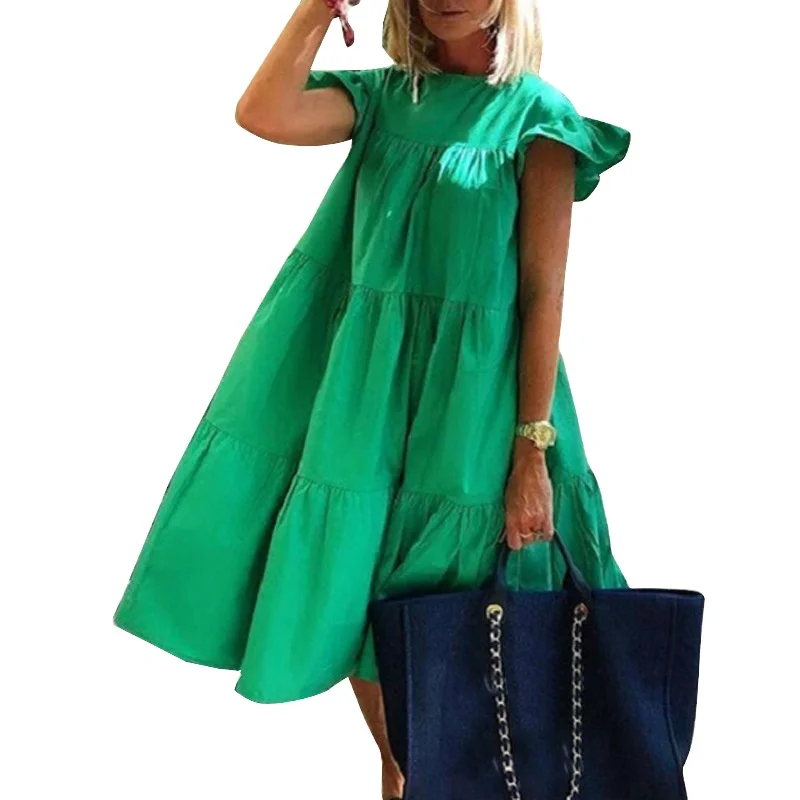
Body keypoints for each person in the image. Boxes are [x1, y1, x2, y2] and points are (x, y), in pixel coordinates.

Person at [113, 1, 631, 798]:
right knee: (367, 600)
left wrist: (533, 447)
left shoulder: (539, 117)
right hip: (368, 397)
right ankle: (402, 771)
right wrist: (317, 9)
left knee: (460, 611)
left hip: (478, 407)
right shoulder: (388, 99)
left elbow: (543, 293)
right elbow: (263, 112)